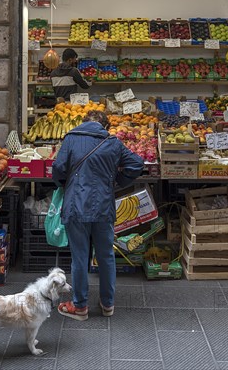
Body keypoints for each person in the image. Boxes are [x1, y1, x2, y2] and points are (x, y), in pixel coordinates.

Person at [52, 110, 144, 321]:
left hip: (76, 206)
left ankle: (80, 306)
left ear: (84, 122)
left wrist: (64, 184)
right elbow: (137, 164)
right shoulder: (112, 142)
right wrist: (117, 181)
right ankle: (107, 304)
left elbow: (58, 168)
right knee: (106, 257)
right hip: (103, 206)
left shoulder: (71, 138)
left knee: (79, 258)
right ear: (105, 126)